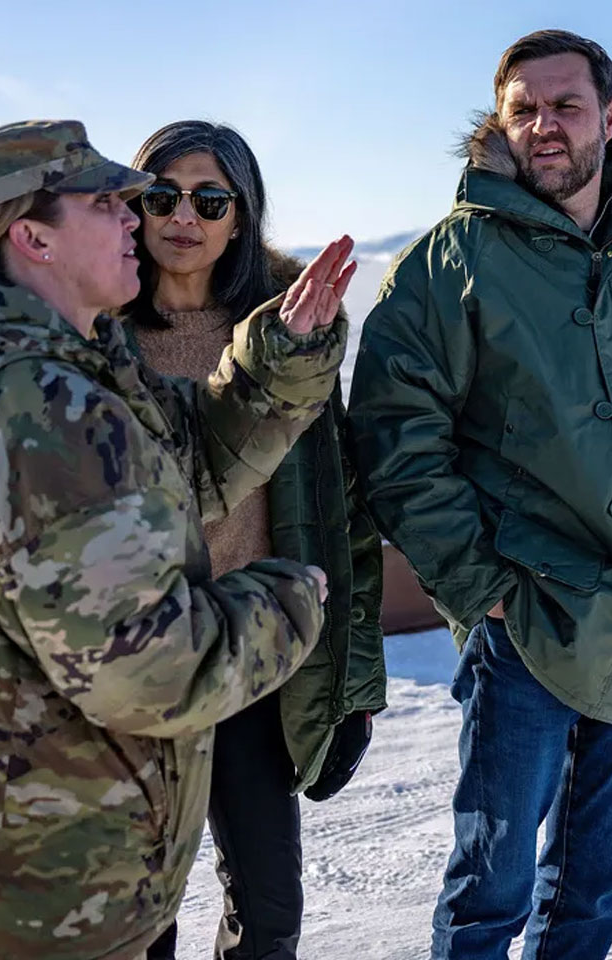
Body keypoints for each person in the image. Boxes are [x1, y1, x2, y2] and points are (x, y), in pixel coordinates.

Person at [0, 119, 355, 960]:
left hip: (53, 856)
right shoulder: (44, 411)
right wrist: (286, 602)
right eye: (109, 203)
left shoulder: (58, 372)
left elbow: (189, 462)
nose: (139, 217)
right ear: (34, 239)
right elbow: (147, 671)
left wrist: (278, 361)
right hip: (46, 890)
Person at [347, 29, 612, 960]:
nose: (545, 125)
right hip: (529, 612)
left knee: (596, 879)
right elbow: (395, 435)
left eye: (566, 106)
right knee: (489, 891)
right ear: (499, 123)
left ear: (608, 120)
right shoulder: (449, 262)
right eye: (524, 109)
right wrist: (479, 584)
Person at [122, 120, 386, 960]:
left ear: (241, 216)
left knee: (269, 915)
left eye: (209, 200)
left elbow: (340, 512)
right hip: (135, 663)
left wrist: (353, 680)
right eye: (161, 196)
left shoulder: (286, 338)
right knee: (138, 920)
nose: (183, 217)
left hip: (252, 654)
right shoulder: (98, 334)